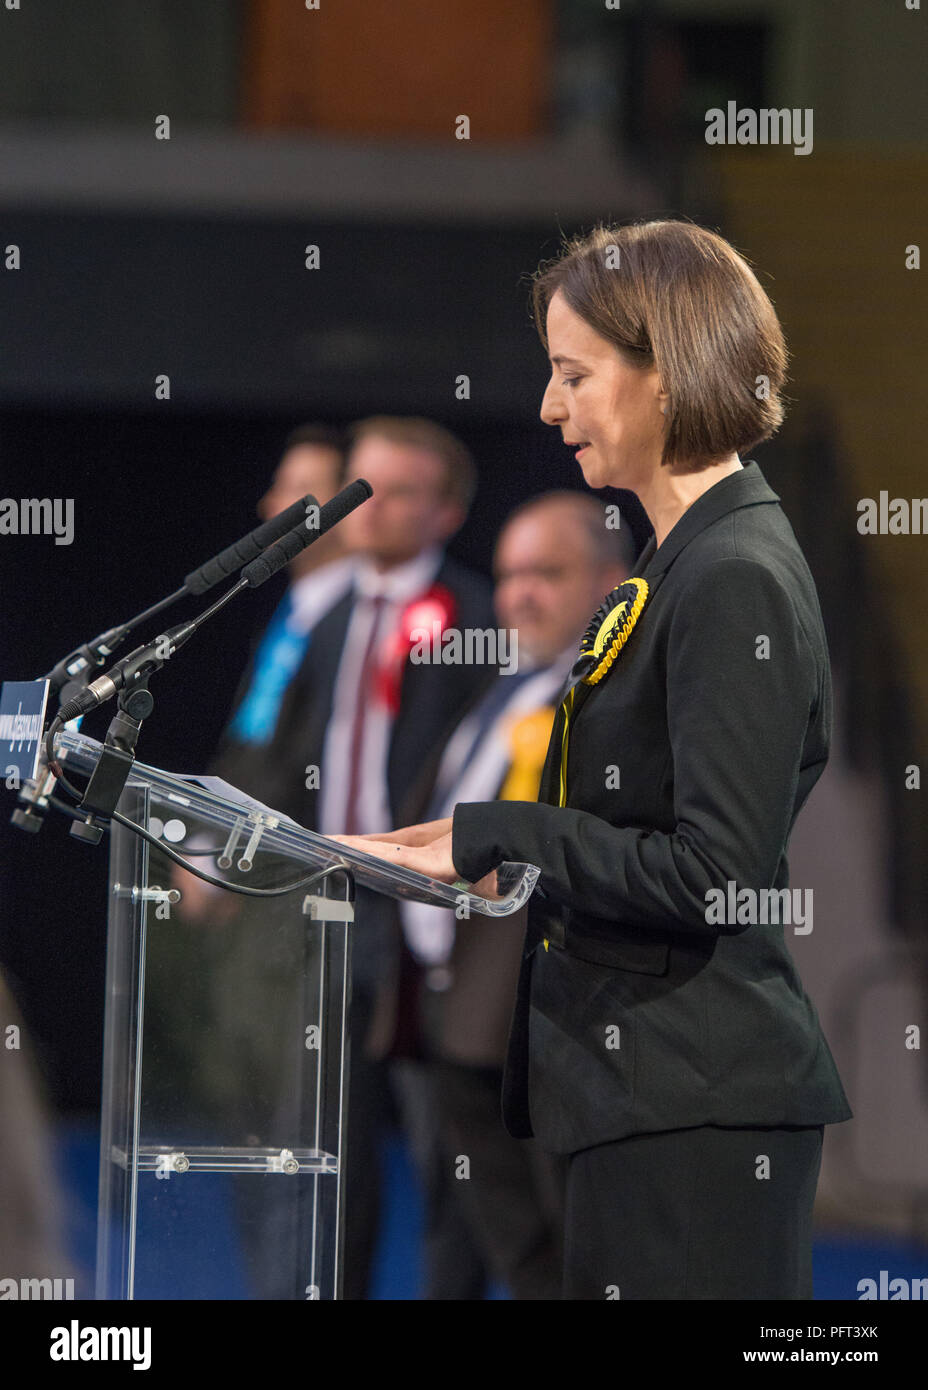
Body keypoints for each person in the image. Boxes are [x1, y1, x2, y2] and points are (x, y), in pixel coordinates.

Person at [331, 219, 854, 1300]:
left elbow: (712, 872)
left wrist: (503, 832)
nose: (546, 406)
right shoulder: (683, 559)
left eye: (573, 374)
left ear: (669, 371)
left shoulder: (732, 574)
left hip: (696, 1105)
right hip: (643, 1093)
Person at [400, 490, 634, 1298]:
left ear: (611, 583)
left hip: (545, 1026)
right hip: (455, 1018)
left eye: (547, 573)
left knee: (576, 1254)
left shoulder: (618, 701)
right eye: (507, 575)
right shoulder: (504, 689)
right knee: (516, 1253)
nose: (518, 594)